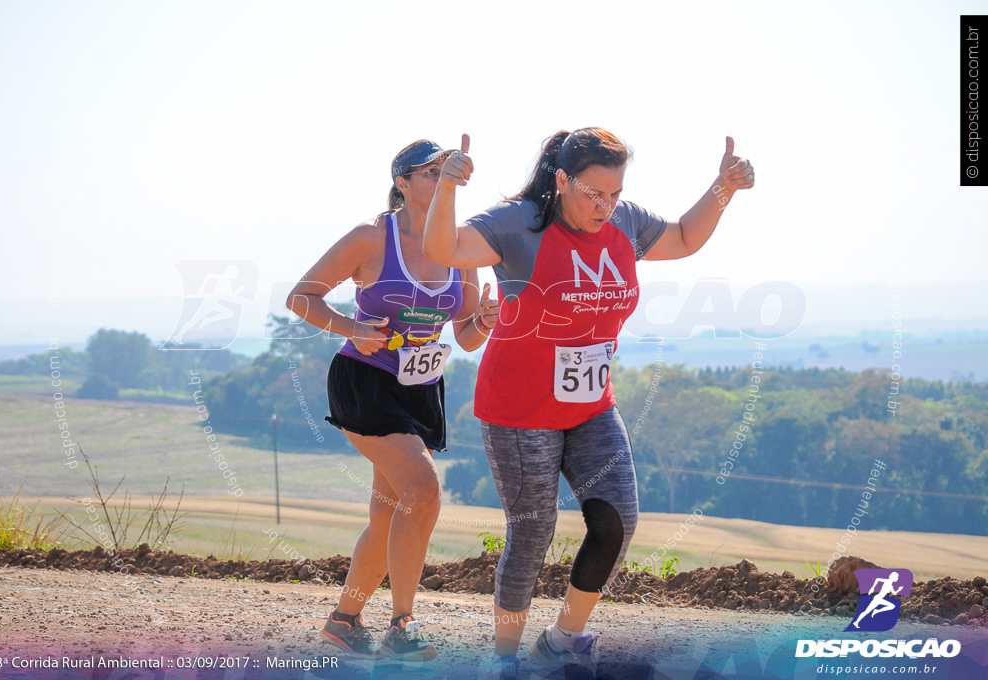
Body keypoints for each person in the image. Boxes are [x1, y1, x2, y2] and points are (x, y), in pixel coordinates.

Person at [424, 129, 754, 678]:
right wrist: (449, 189)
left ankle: (562, 640)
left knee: (617, 520)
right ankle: (503, 660)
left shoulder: (623, 223)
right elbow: (445, 249)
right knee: (533, 531)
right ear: (561, 180)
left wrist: (723, 188)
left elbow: (684, 237)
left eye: (615, 194)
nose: (605, 206)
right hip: (519, 408)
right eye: (593, 194)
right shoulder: (517, 222)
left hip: (590, 405)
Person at [285, 139, 499, 662]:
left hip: (422, 386)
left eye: (444, 172)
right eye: (429, 172)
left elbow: (465, 336)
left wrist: (485, 323)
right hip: (366, 378)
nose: (438, 179)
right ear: (402, 181)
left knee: (388, 515)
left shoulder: (462, 245)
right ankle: (402, 624)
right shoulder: (370, 238)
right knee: (423, 491)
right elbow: (301, 296)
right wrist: (351, 327)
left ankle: (343, 620)